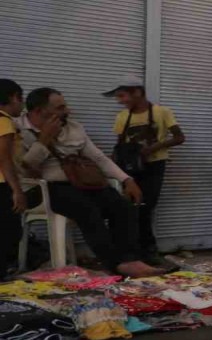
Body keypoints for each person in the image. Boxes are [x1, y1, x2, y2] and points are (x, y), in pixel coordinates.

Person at [15, 88, 164, 278]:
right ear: (38, 111)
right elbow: (24, 169)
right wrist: (44, 139)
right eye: (60, 108)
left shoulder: (74, 127)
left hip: (79, 183)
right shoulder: (17, 130)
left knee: (123, 206)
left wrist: (127, 179)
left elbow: (98, 158)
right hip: (42, 189)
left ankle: (131, 259)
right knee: (87, 209)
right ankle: (115, 264)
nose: (67, 111)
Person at [107, 82, 185, 258]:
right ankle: (132, 250)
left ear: (137, 92)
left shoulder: (162, 112)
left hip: (154, 165)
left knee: (146, 206)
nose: (120, 101)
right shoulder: (122, 116)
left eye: (122, 96)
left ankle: (148, 250)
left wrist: (153, 148)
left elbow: (179, 137)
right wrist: (111, 166)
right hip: (130, 167)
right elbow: (119, 144)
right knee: (129, 207)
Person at [0, 79, 40, 276]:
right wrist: (17, 191)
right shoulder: (4, 121)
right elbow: (4, 160)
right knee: (8, 233)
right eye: (21, 99)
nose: (22, 105)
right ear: (14, 98)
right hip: (2, 185)